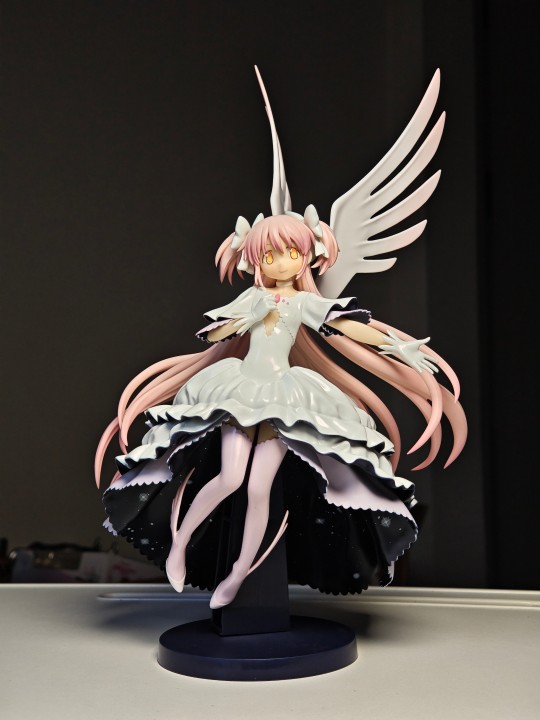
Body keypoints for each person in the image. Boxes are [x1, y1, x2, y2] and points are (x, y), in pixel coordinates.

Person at [96, 210, 466, 609]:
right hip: (241, 390)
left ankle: (239, 573)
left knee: (259, 489)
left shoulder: (304, 302)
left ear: (307, 256)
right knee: (230, 478)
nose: (282, 262)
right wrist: (248, 317)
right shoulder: (253, 297)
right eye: (270, 255)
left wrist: (396, 347)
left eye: (291, 253)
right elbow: (213, 332)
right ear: (257, 259)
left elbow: (347, 327)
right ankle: (180, 544)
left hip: (283, 398)